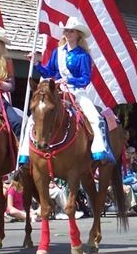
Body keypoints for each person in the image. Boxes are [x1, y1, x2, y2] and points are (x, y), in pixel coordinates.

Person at [20, 17, 113, 165]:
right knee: (34, 117)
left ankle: (100, 149)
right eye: (66, 31)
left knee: (95, 117)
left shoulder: (83, 55)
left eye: (71, 31)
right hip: (56, 90)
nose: (68, 33)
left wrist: (69, 80)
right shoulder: (57, 52)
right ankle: (25, 153)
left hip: (76, 90)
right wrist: (36, 62)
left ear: (78, 34)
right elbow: (49, 71)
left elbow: (85, 79)